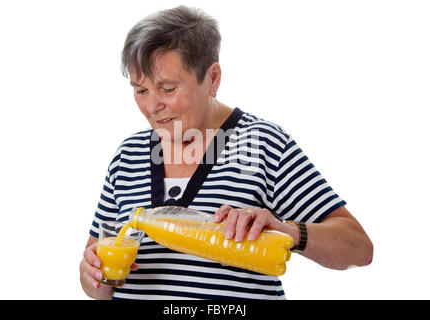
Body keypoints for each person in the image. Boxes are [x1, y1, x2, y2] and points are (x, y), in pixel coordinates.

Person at [79, 5, 373, 300]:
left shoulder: (262, 144)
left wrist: (287, 231)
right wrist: (92, 276)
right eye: (141, 90)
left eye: (167, 88)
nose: (152, 106)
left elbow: (358, 248)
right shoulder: (128, 155)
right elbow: (98, 282)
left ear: (213, 78)